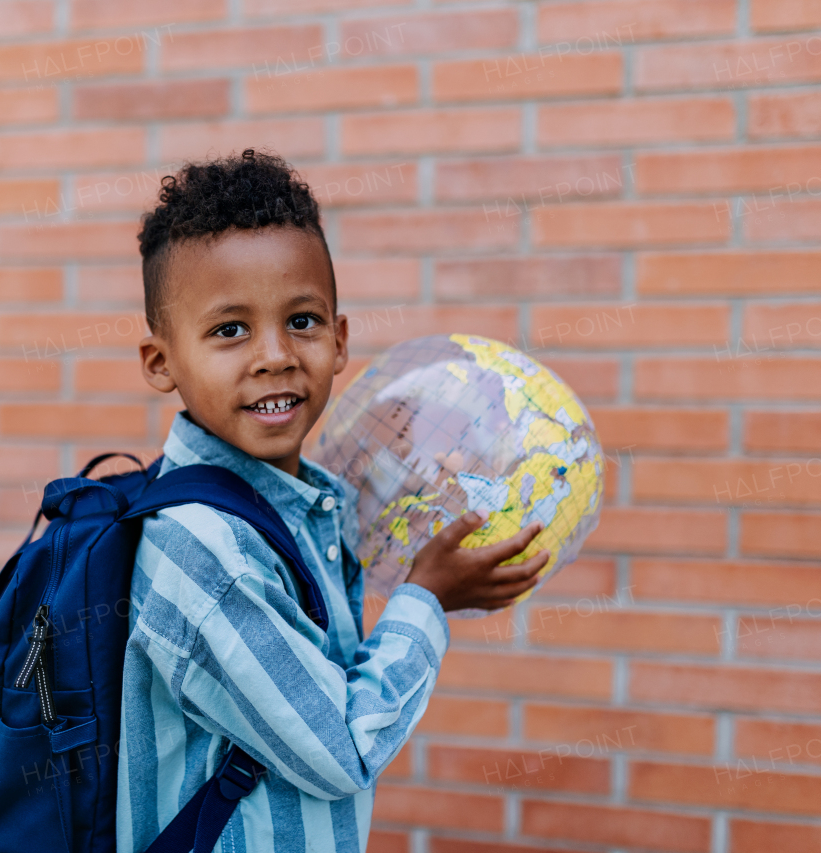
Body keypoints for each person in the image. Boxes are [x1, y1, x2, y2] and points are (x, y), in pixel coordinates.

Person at [119, 149, 549, 853]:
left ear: (340, 338)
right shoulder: (205, 546)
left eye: (302, 321)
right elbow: (342, 749)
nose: (275, 355)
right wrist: (426, 599)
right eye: (230, 329)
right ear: (161, 361)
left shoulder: (290, 505)